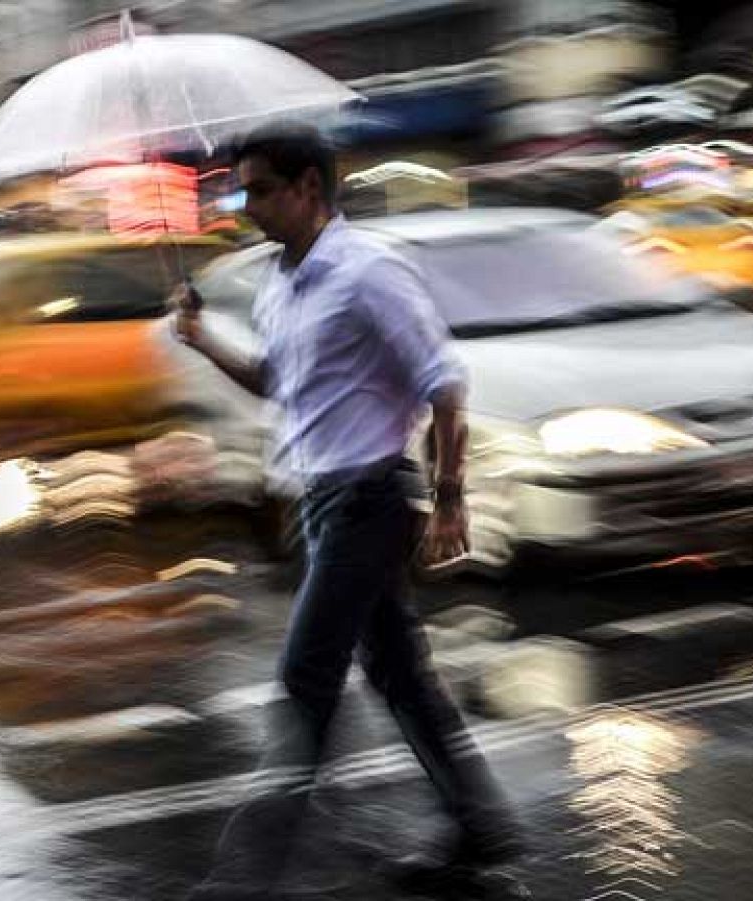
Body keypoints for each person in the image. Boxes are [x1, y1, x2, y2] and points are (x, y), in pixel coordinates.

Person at [174, 125, 524, 899]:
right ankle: (480, 824)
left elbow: (444, 383)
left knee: (304, 683)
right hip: (319, 507)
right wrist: (202, 341)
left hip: (370, 501)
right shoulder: (280, 281)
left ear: (308, 188)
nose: (246, 205)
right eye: (243, 189)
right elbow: (276, 381)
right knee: (400, 676)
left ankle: (240, 879)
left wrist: (450, 497)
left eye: (260, 189)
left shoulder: (368, 273)